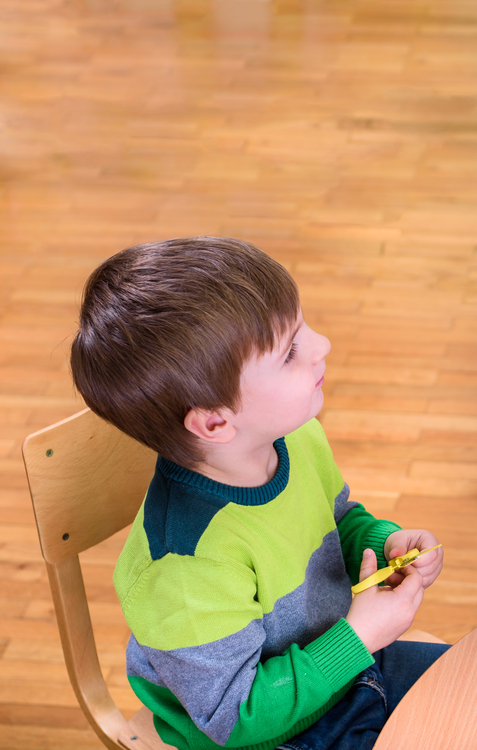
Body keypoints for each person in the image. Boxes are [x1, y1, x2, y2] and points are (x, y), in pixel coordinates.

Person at [70, 237, 447, 750]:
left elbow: (337, 521)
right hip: (267, 733)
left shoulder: (292, 434)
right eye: (290, 350)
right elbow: (236, 718)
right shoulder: (184, 569)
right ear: (216, 422)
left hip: (340, 666)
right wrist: (358, 638)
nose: (322, 345)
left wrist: (384, 543)